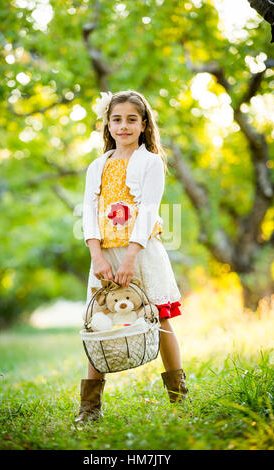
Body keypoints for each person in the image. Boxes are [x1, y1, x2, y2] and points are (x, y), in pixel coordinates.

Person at [75, 90, 188, 424]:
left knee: (161, 319)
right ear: (107, 125)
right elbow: (89, 212)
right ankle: (89, 409)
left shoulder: (150, 162)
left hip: (140, 252)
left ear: (143, 125)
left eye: (131, 119)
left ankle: (178, 400)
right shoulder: (97, 166)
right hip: (105, 255)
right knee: (99, 323)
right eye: (116, 119)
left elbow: (149, 210)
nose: (123, 126)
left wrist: (129, 260)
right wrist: (98, 256)